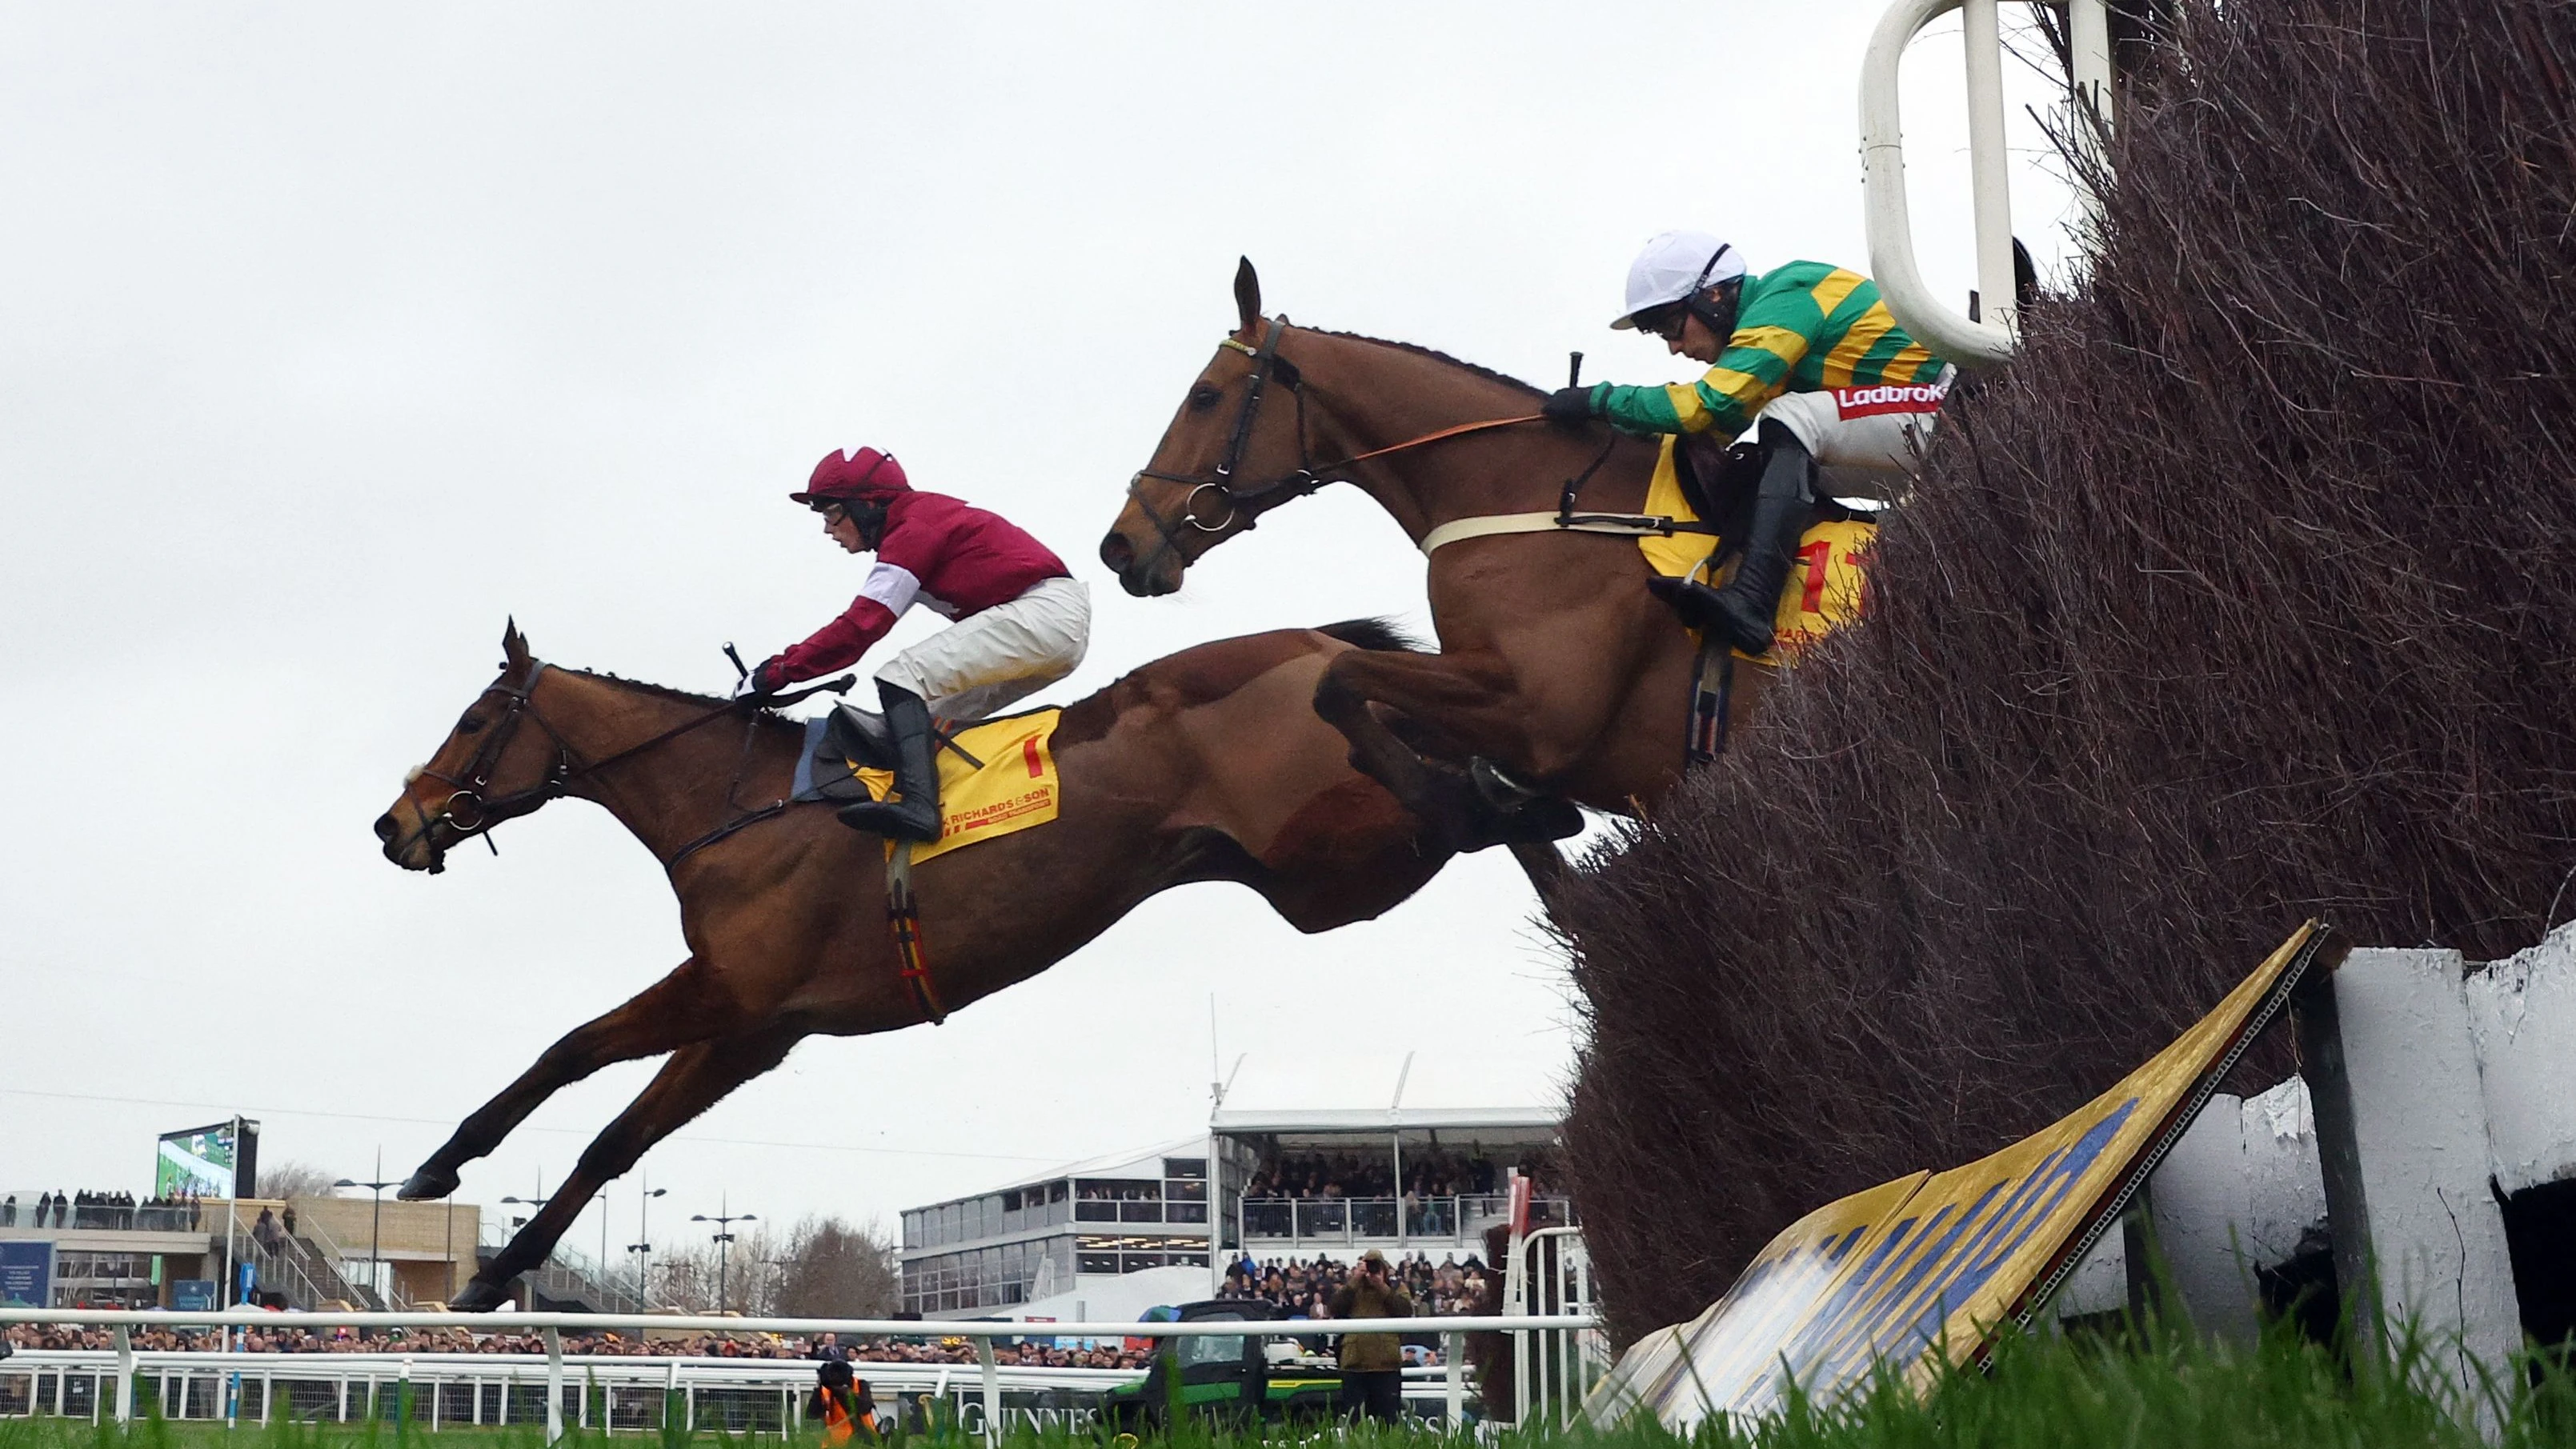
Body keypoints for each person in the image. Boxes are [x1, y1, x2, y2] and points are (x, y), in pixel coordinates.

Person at [1541, 230, 1953, 656]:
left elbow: (1704, 406)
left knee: (1790, 417)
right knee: (1768, 461)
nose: (1674, 347)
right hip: (1924, 436)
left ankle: (1753, 602)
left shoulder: (1787, 296)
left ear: (1714, 296)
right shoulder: (1768, 334)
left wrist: (1601, 400)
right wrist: (1623, 429)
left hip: (1954, 412)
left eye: (1670, 325)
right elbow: (1714, 429)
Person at [739, 447, 1091, 841]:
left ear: (868, 505)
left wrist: (776, 673)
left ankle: (920, 809)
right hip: (1052, 627)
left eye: (831, 512)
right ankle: (960, 818)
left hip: (1046, 615)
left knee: (899, 677)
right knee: (920, 722)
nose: (827, 528)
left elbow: (860, 627)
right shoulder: (916, 527)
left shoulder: (914, 529)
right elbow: (866, 624)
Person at [1326, 1247, 1413, 1423]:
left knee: (1389, 1423)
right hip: (1355, 1363)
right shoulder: (1352, 1288)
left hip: (1386, 1365)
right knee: (1354, 1422)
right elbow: (1334, 1308)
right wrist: (1355, 1280)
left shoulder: (1396, 1286)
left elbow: (1405, 1311)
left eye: (1376, 1267)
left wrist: (1381, 1286)